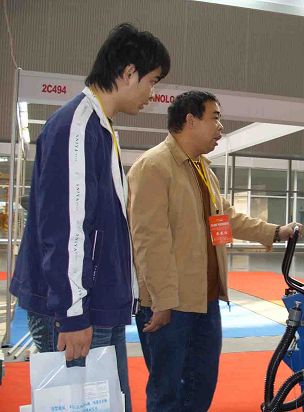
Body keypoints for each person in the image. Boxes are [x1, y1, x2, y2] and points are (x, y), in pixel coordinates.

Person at [10, 23, 170, 412]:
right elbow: (65, 229)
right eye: (152, 81)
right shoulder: (77, 128)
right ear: (128, 72)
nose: (152, 93)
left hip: (96, 303)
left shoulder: (99, 127)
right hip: (77, 309)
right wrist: (72, 313)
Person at [127, 90, 302, 412]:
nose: (221, 127)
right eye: (215, 118)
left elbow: (225, 219)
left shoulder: (203, 170)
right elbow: (149, 242)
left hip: (204, 300)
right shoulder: (153, 167)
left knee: (201, 384)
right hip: (171, 303)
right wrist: (161, 301)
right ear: (190, 120)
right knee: (168, 391)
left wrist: (274, 232)